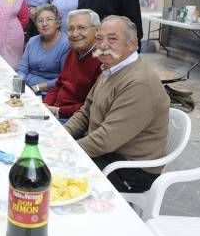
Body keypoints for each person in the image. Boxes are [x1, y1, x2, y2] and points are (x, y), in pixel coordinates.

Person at [64, 15, 169, 192]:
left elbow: (105, 139)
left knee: (55, 175)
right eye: (99, 38)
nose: (103, 45)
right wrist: (63, 135)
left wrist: (66, 150)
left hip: (130, 168)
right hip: (107, 152)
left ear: (132, 43)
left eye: (112, 39)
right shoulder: (110, 68)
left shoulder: (138, 83)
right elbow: (85, 112)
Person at [44, 9, 102, 120]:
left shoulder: (102, 60)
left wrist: (57, 111)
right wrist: (46, 104)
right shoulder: (74, 51)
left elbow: (91, 106)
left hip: (73, 119)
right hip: (54, 109)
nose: (75, 34)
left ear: (97, 30)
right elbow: (59, 83)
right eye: (70, 29)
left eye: (81, 28)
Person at [17, 4, 70, 95]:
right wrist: (20, 85)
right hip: (27, 87)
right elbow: (22, 68)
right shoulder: (32, 41)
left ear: (57, 23)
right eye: (40, 21)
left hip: (50, 92)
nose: (44, 24)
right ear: (36, 25)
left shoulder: (66, 45)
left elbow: (64, 78)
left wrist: (38, 87)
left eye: (49, 19)